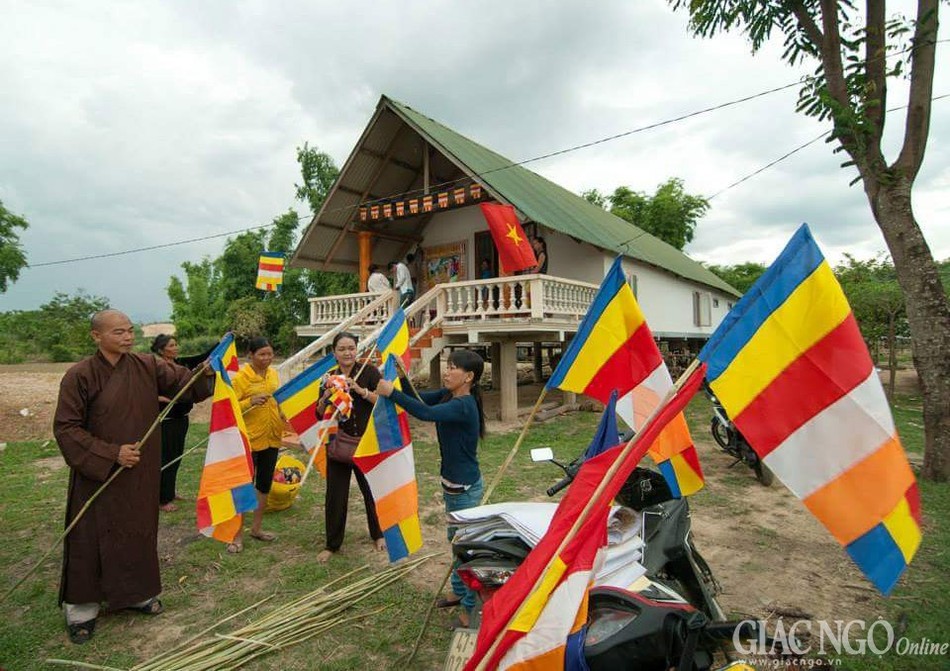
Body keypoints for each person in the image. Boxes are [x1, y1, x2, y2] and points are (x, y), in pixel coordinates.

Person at [54, 309, 213, 644]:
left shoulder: (147, 365)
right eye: (118, 332)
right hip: (97, 475)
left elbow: (185, 384)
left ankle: (136, 593)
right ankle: (82, 606)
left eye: (129, 331)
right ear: (96, 336)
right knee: (89, 535)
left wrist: (205, 372)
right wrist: (111, 453)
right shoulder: (79, 376)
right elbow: (66, 428)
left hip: (139, 470)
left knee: (137, 529)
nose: (127, 337)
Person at [372, 349, 485, 627]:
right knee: (455, 543)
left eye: (453, 368)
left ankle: (469, 611)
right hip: (453, 486)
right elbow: (419, 398)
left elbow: (425, 413)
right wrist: (399, 377)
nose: (447, 372)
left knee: (465, 550)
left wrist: (391, 392)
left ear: (468, 377)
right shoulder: (449, 395)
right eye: (447, 366)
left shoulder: (464, 405)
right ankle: (459, 594)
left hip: (464, 489)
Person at [316, 332, 386, 562]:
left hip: (366, 442)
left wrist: (360, 391)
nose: (347, 353)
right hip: (338, 442)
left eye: (351, 348)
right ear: (334, 352)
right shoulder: (329, 377)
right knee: (336, 495)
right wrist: (327, 395)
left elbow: (384, 401)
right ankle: (332, 544)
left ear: (357, 350)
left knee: (371, 491)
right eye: (342, 349)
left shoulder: (369, 372)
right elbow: (318, 414)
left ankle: (378, 534)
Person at [229, 337, 282, 553]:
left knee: (263, 485)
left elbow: (277, 400)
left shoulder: (273, 374)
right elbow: (229, 408)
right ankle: (236, 536)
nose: (267, 358)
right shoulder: (241, 379)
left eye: (270, 354)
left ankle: (256, 529)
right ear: (250, 355)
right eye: (262, 354)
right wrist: (249, 402)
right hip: (249, 441)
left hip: (272, 437)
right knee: (243, 488)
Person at [151, 334, 214, 512]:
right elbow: (143, 389)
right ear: (161, 350)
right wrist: (157, 397)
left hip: (181, 418)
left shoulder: (180, 364)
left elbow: (202, 358)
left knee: (176, 456)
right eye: (172, 345)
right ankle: (162, 499)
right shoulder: (156, 367)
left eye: (176, 344)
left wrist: (222, 342)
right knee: (166, 458)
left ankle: (170, 491)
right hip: (166, 420)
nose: (176, 347)